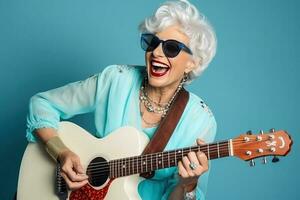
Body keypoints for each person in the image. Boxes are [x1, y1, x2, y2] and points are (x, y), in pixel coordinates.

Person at [26, 0, 217, 199]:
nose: (156, 53)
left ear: (192, 64)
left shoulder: (201, 121)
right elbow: (41, 104)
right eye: (152, 42)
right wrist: (61, 152)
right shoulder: (115, 81)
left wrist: (188, 185)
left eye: (171, 48)